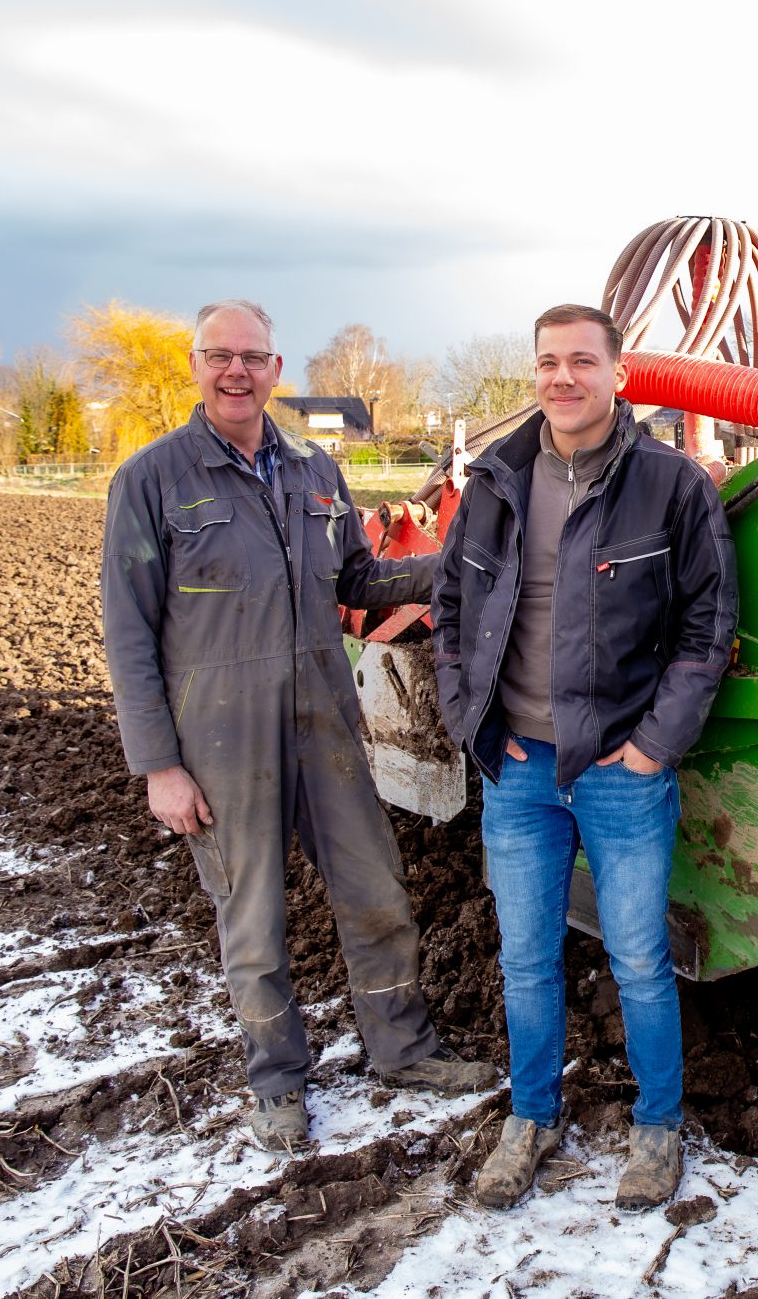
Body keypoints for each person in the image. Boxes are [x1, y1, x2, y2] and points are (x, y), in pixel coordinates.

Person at [101, 299, 495, 1151]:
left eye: (253, 356)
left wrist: (458, 568)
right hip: (219, 736)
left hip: (324, 717)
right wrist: (157, 766)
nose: (236, 370)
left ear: (277, 370)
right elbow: (127, 631)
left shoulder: (316, 471)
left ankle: (404, 1049)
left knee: (377, 891)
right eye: (219, 355)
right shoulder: (152, 480)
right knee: (254, 916)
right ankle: (279, 1082)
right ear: (196, 365)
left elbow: (357, 576)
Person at [433, 303, 738, 1211]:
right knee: (525, 960)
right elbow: (450, 608)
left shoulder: (672, 486)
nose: (561, 379)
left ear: (619, 375)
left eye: (580, 362)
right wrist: (467, 719)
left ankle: (658, 1125)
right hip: (517, 769)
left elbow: (706, 625)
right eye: (546, 364)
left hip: (620, 771)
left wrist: (651, 747)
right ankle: (531, 1115)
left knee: (640, 960)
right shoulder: (495, 481)